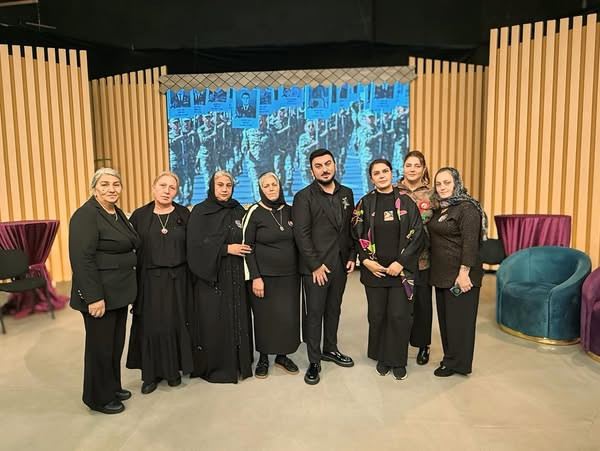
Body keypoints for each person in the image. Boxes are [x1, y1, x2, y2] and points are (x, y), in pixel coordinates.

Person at [69, 168, 140, 414]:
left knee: (114, 345)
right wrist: (93, 297)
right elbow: (82, 260)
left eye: (116, 184)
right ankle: (98, 398)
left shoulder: (116, 212)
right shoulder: (86, 215)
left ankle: (112, 387)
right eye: (105, 184)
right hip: (99, 296)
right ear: (94, 189)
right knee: (100, 348)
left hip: (118, 293)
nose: (111, 189)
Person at [352, 159, 424, 380]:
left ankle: (398, 360)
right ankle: (383, 357)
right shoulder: (364, 203)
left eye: (385, 171)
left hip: (401, 272)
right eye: (377, 173)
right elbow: (355, 234)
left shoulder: (407, 201)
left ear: (392, 173)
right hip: (375, 271)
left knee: (399, 316)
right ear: (371, 178)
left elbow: (418, 235)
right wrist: (365, 260)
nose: (382, 175)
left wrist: (401, 263)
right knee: (378, 316)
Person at [126, 172, 194, 394]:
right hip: (149, 281)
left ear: (177, 191)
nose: (167, 190)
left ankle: (173, 371)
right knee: (151, 326)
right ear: (153, 188)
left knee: (175, 324)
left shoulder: (184, 214)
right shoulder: (139, 216)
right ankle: (150, 375)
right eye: (162, 185)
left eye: (172, 187)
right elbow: (129, 249)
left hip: (179, 280)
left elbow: (194, 248)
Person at [292, 148, 356, 385]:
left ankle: (330, 348)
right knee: (315, 313)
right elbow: (301, 235)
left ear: (335, 165)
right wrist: (315, 265)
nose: (324, 169)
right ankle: (314, 360)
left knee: (334, 309)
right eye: (318, 166)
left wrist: (352, 255)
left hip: (340, 264)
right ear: (312, 171)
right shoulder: (303, 197)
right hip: (316, 268)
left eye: (328, 164)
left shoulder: (347, 193)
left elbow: (350, 228)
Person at [186, 170, 254, 383]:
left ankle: (239, 362)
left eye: (228, 185)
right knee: (214, 321)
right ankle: (218, 366)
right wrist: (226, 249)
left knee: (238, 318)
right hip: (212, 277)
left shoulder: (238, 209)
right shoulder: (200, 211)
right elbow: (195, 245)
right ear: (212, 187)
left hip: (236, 276)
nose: (225, 189)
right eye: (220, 185)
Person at [428, 167, 487, 377]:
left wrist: (464, 273)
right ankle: (450, 359)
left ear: (457, 183)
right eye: (438, 184)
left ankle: (458, 364)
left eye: (447, 183)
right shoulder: (442, 208)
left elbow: (470, 244)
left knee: (460, 324)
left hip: (461, 276)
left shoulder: (467, 208)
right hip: (442, 275)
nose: (442, 187)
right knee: (447, 322)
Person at [242, 172, 300, 379]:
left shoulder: (291, 210)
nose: (271, 188)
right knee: (265, 318)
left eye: (274, 184)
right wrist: (255, 277)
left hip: (290, 276)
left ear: (279, 185)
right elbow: (247, 247)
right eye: (266, 186)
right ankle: (264, 358)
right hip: (263, 277)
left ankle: (282, 356)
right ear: (261, 190)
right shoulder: (254, 212)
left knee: (287, 317)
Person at [397, 150, 434, 365]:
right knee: (400, 306)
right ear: (403, 167)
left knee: (422, 305)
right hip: (398, 261)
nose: (412, 169)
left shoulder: (432, 194)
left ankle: (423, 345)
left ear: (423, 169)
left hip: (423, 260)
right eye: (408, 165)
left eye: (417, 166)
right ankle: (398, 343)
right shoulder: (393, 191)